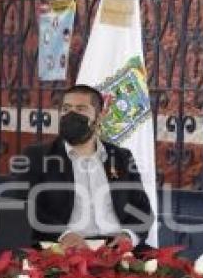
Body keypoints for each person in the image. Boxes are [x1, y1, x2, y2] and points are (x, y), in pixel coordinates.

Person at [16, 84, 153, 250]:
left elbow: (142, 209)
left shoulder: (121, 157)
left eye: (81, 109)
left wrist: (128, 235)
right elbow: (23, 205)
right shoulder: (36, 156)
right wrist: (63, 234)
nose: (71, 115)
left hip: (116, 249)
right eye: (66, 109)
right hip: (61, 249)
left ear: (100, 115)